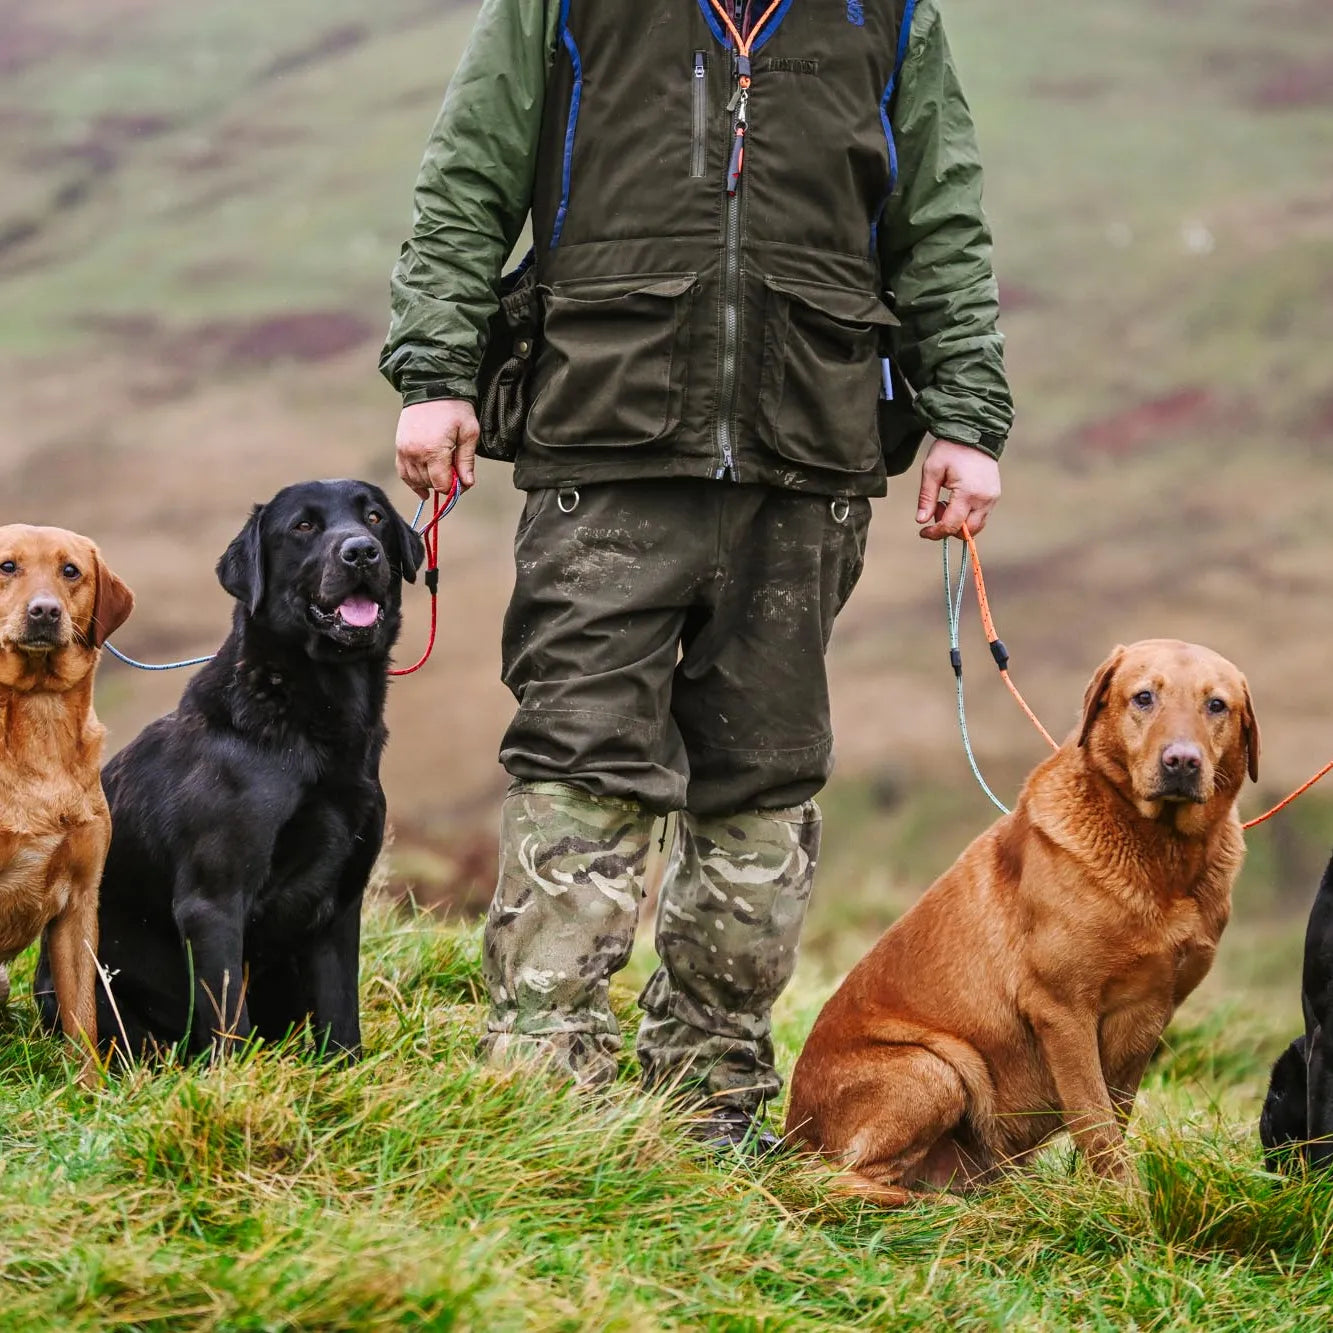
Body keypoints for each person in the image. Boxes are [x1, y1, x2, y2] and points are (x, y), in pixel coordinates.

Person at [381, 0, 1013, 1152]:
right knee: (578, 757)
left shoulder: (888, 14)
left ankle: (707, 1100)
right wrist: (435, 373)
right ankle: (544, 1094)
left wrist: (966, 417)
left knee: (760, 786)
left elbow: (939, 217)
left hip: (805, 452)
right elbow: (468, 176)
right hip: (603, 436)